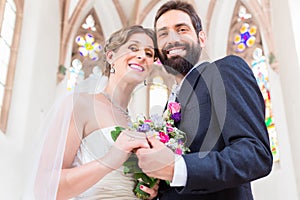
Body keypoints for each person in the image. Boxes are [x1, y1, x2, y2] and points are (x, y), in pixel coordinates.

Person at [136, 1, 273, 200]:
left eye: (181, 29)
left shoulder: (224, 71)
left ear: (201, 38)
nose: (172, 39)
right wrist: (157, 186)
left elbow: (255, 154)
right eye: (163, 34)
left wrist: (177, 168)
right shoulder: (168, 106)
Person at [28, 25, 159, 199]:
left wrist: (147, 190)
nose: (142, 56)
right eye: (133, 48)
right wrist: (110, 159)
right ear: (111, 56)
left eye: (149, 54)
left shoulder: (136, 126)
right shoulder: (81, 105)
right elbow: (44, 186)